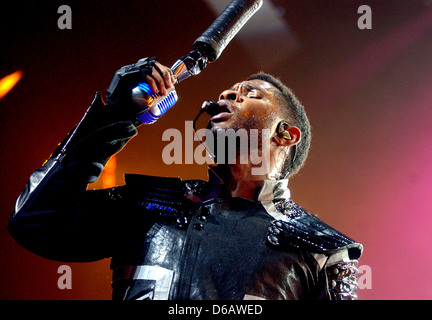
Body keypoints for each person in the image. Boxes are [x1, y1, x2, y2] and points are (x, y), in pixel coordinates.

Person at [8, 57, 363, 300]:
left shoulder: (320, 249)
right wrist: (112, 117)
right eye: (227, 92)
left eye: (250, 94)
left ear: (286, 135)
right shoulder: (149, 205)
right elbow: (34, 222)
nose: (227, 95)